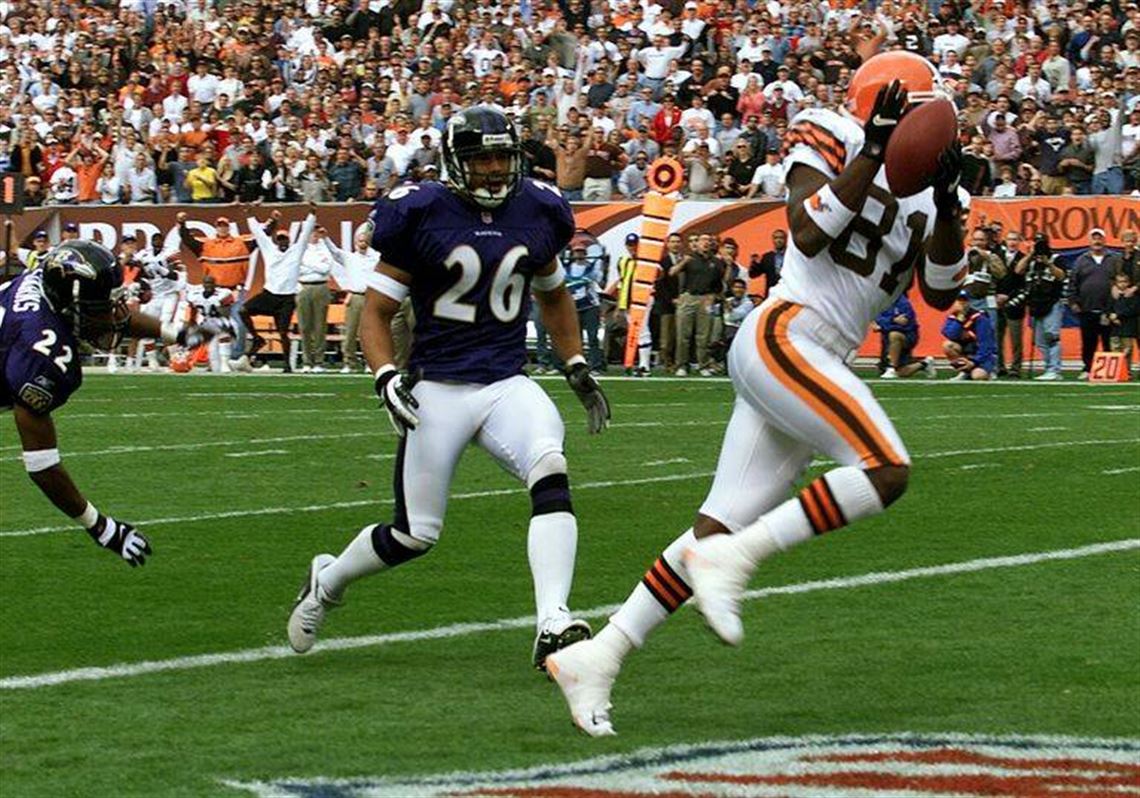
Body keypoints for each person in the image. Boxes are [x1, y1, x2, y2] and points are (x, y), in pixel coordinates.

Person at [546, 54, 965, 736]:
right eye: (922, 111)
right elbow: (807, 230)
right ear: (884, 105)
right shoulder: (830, 132)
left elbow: (942, 290)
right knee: (883, 469)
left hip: (818, 353)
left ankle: (599, 655)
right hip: (787, 331)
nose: (937, 126)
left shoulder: (935, 185)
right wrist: (874, 151)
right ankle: (737, 560)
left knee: (715, 526)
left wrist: (947, 203)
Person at [286, 108, 611, 673]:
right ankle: (329, 579)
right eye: (481, 157)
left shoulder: (536, 209)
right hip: (437, 386)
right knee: (415, 535)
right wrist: (386, 375)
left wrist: (576, 363)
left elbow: (554, 294)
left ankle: (553, 620)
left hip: (507, 380)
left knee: (550, 465)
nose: (492, 169)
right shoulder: (422, 212)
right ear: (455, 160)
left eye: (501, 157)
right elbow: (378, 311)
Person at [0, 240, 227, 566]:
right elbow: (41, 464)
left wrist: (183, 335)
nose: (111, 313)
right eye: (99, 307)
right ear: (70, 304)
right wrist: (101, 527)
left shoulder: (48, 284)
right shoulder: (40, 354)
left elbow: (117, 319)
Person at [232, 205, 317, 373]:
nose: (283, 242)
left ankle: (287, 365)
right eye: (280, 239)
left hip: (287, 298)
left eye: (285, 239)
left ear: (289, 240)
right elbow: (258, 233)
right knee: (243, 310)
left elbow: (305, 233)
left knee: (283, 332)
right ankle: (257, 339)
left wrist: (312, 215)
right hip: (269, 295)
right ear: (276, 241)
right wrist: (250, 216)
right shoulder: (269, 249)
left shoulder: (296, 251)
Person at [324, 228, 381, 373]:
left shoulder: (376, 257)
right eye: (360, 241)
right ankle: (349, 363)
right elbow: (335, 252)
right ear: (355, 242)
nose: (362, 244)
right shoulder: (350, 257)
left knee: (370, 333)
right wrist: (325, 238)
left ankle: (371, 363)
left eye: (364, 241)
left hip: (371, 297)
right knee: (350, 332)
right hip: (356, 297)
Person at [1069, 228, 1123, 380]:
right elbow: (1073, 282)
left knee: (1109, 341)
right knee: (1088, 341)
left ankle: (1110, 370)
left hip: (1109, 309)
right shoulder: (1081, 260)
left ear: (1105, 240)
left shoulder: (1114, 259)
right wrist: (1073, 301)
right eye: (1094, 238)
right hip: (1087, 308)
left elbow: (1121, 280)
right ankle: (1087, 367)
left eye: (1100, 238)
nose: (1097, 241)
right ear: (1089, 241)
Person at [874, 293, 934, 379]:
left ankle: (892, 367)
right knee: (901, 372)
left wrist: (884, 325)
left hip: (906, 336)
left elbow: (903, 323)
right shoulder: (880, 302)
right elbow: (875, 321)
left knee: (894, 335)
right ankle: (924, 364)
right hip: (887, 339)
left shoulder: (903, 303)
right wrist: (892, 320)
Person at [942, 291, 997, 381]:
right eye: (959, 300)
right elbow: (950, 334)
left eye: (964, 301)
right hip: (966, 353)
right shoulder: (953, 317)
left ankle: (989, 371)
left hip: (982, 355)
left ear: (969, 302)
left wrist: (974, 362)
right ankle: (965, 371)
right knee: (948, 345)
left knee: (978, 376)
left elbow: (986, 345)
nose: (961, 303)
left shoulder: (980, 318)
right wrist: (960, 319)